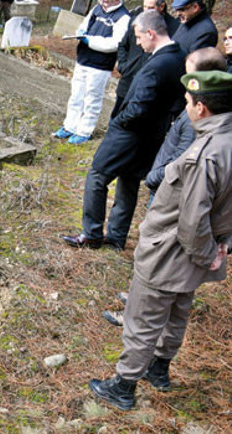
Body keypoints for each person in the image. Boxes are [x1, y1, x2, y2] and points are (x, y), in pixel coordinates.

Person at [88, 70, 232, 411]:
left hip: (172, 250)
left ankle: (123, 386)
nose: (186, 109)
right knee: (179, 310)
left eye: (188, 103)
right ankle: (159, 369)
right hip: (200, 251)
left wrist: (205, 253)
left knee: (143, 318)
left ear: (202, 108)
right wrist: (221, 245)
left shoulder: (205, 154)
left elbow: (192, 220)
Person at [101, 47, 228, 327]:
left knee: (158, 267)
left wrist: (157, 176)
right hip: (163, 187)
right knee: (148, 261)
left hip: (170, 197)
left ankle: (138, 316)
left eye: (190, 70)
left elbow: (184, 160)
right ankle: (136, 298)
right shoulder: (195, 106)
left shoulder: (203, 117)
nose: (184, 75)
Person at [63, 11, 186, 251]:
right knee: (129, 182)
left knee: (97, 175)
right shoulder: (179, 56)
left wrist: (119, 122)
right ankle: (117, 237)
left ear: (151, 33)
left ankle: (92, 233)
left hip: (130, 133)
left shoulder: (157, 65)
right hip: (154, 135)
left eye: (140, 37)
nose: (138, 43)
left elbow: (139, 107)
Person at [53, 0, 130, 145]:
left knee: (92, 99)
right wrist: (80, 34)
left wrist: (91, 41)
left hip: (100, 65)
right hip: (83, 59)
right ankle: (70, 126)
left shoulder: (123, 17)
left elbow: (115, 43)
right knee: (76, 95)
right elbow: (84, 26)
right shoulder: (97, 9)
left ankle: (84, 131)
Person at [111, 0, 179, 118]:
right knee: (116, 118)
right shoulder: (137, 20)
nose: (146, 11)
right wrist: (124, 66)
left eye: (150, 7)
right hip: (128, 81)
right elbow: (123, 45)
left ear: (161, 6)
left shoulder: (174, 28)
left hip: (149, 86)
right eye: (144, 7)